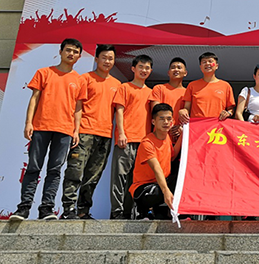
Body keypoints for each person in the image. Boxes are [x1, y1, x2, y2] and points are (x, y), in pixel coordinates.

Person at [9, 38, 86, 221]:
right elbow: (34, 99)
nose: (71, 54)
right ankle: (24, 208)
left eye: (75, 52)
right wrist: (28, 123)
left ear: (79, 56)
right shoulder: (44, 73)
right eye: (68, 50)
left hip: (65, 130)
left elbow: (78, 108)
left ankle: (47, 209)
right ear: (60, 52)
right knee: (33, 168)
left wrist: (76, 131)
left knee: (55, 170)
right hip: (41, 126)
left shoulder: (79, 80)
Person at [61, 44, 120, 220]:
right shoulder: (85, 79)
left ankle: (83, 210)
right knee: (75, 172)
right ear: (96, 59)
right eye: (104, 57)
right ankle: (68, 209)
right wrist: (75, 130)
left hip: (105, 135)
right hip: (84, 133)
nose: (107, 61)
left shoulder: (117, 84)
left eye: (110, 58)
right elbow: (76, 106)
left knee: (93, 175)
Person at [110, 55, 153, 220]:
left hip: (144, 142)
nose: (144, 70)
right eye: (141, 67)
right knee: (119, 178)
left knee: (136, 180)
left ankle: (129, 213)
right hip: (126, 139)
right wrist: (121, 133)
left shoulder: (151, 93)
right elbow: (119, 111)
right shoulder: (124, 87)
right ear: (133, 68)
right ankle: (117, 212)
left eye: (147, 68)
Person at [130, 103, 183, 220]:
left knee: (181, 181)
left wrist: (182, 135)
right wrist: (166, 191)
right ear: (153, 122)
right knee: (158, 191)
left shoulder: (166, 137)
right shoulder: (147, 143)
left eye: (169, 119)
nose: (166, 122)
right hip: (144, 188)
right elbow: (156, 168)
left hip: (160, 184)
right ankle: (141, 209)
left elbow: (172, 156)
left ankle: (160, 210)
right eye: (162, 119)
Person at [179, 52, 235, 123]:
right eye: (204, 62)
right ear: (200, 67)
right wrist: (183, 111)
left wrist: (228, 113)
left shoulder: (225, 86)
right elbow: (187, 108)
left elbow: (231, 109)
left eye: (210, 61)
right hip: (197, 125)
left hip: (217, 126)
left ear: (216, 66)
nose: (207, 63)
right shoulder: (192, 85)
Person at [149, 57, 188, 134]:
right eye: (173, 67)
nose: (176, 70)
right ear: (168, 72)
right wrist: (169, 125)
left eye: (179, 68)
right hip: (160, 134)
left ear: (185, 73)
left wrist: (181, 127)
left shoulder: (188, 92)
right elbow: (155, 111)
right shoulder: (159, 88)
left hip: (179, 135)